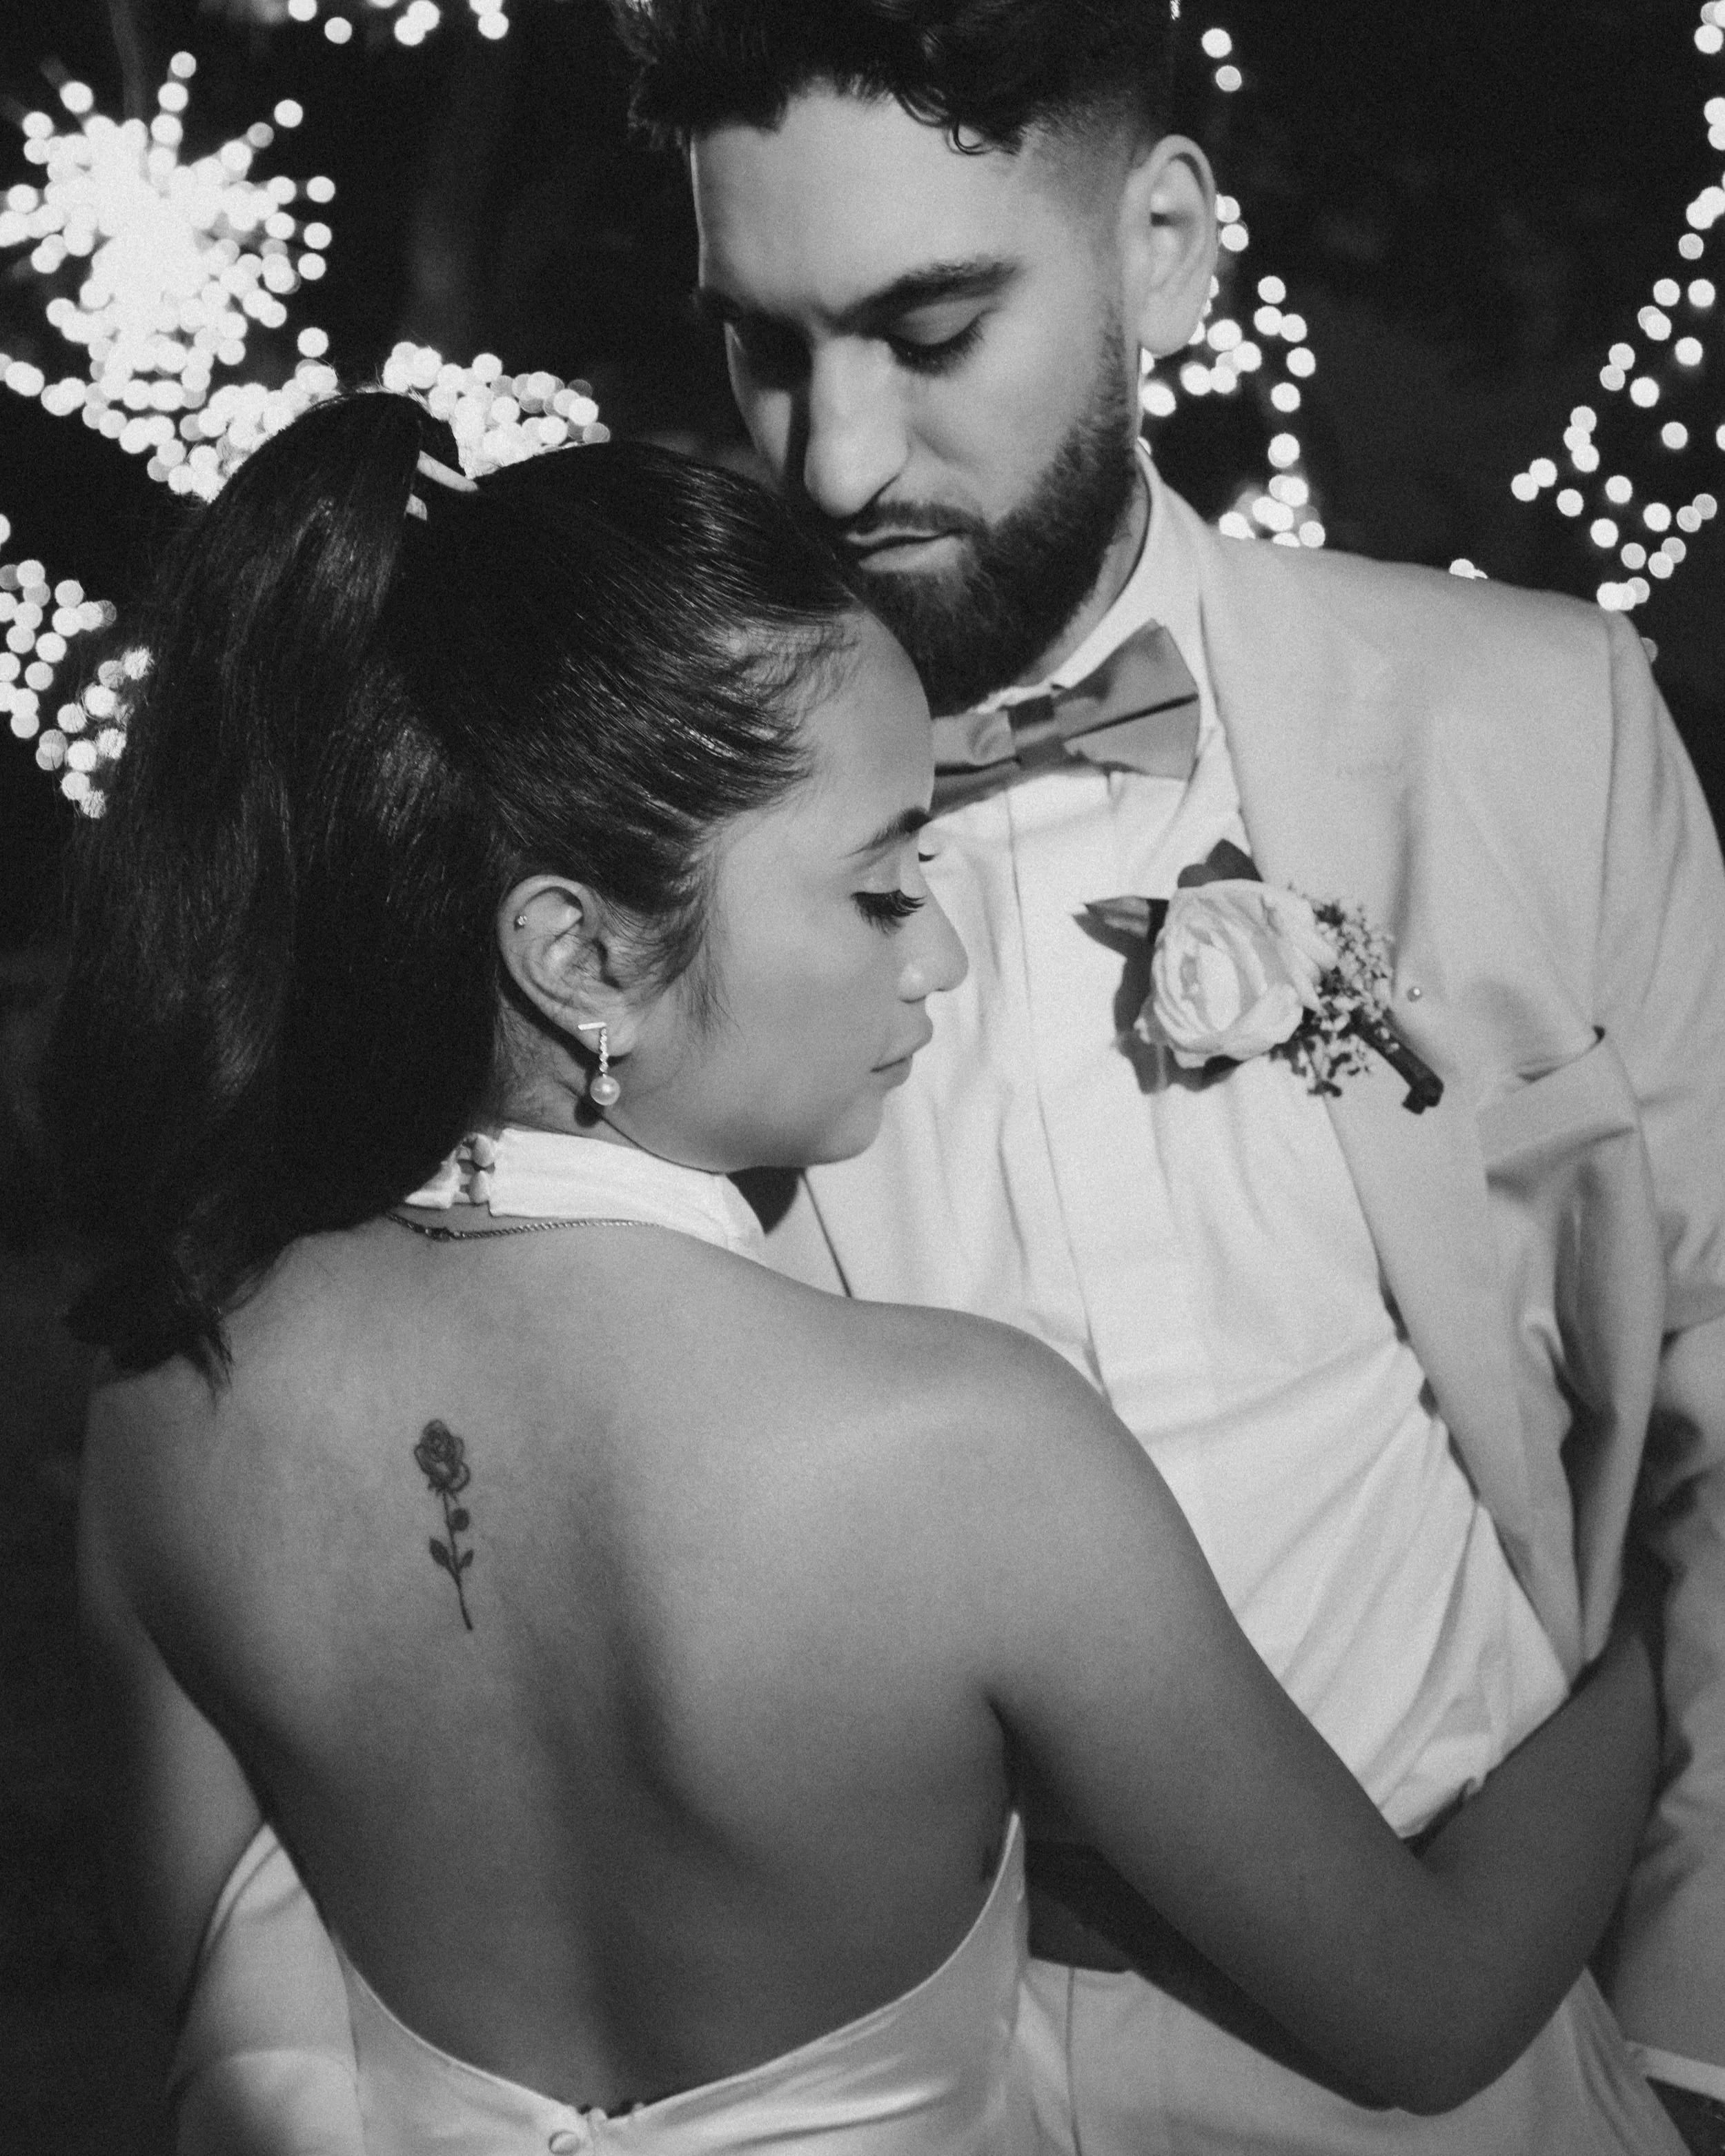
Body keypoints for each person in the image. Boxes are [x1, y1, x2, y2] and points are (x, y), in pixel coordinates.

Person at [155, 2, 1725, 2149]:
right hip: (874, 2029)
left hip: (1477, 2024)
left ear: (1160, 249)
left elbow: (1715, 1424)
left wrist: (1694, 2034)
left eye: (926, 325)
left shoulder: (1536, 723)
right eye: (763, 343)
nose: (829, 457)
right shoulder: (640, 837)